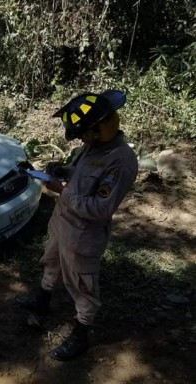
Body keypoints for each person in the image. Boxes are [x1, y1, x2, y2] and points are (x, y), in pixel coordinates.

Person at [16, 89, 138, 361]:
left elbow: (100, 208)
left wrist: (62, 190)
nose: (81, 139)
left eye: (83, 133)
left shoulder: (121, 162)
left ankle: (81, 336)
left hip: (84, 233)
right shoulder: (93, 146)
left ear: (99, 129)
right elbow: (82, 176)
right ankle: (42, 301)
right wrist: (63, 171)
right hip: (63, 221)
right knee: (51, 261)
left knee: (83, 285)